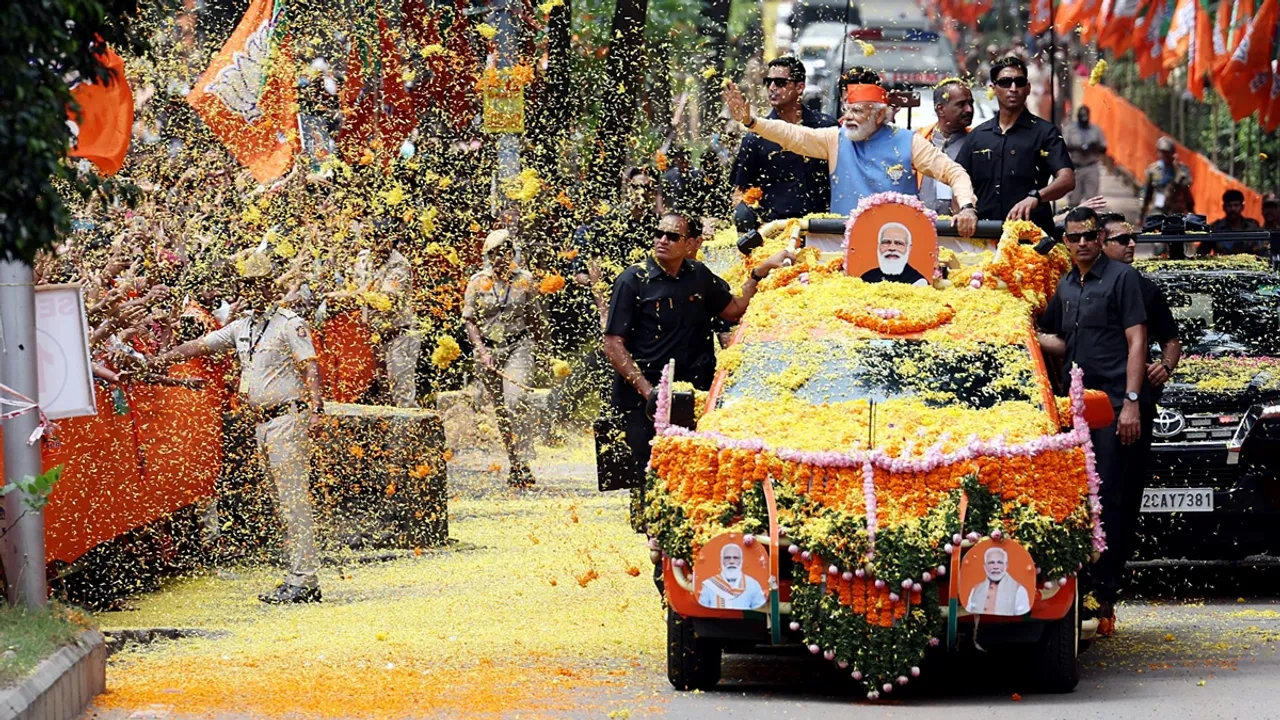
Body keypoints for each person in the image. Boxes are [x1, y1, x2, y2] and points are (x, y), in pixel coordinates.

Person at [147, 252, 326, 604]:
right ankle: (298, 574)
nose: (250, 291)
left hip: (287, 419)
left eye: (257, 284)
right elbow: (198, 345)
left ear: (269, 286)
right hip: (262, 423)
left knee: (293, 502)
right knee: (281, 502)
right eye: (245, 285)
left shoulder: (290, 323)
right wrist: (156, 360)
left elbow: (310, 367)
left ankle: (304, 578)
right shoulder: (241, 326)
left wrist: (317, 408)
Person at [603, 212, 792, 522]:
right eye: (659, 233)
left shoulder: (699, 275)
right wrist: (650, 393)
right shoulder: (632, 280)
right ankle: (659, 557)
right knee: (650, 486)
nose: (662, 240)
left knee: (692, 482)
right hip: (644, 401)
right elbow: (613, 344)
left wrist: (759, 274)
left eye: (673, 236)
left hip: (694, 398)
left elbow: (733, 310)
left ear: (691, 243)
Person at [1037, 206, 1147, 618]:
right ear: (1065, 242)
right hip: (1073, 411)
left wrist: (1132, 404)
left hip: (1114, 406)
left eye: (1088, 236)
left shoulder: (1124, 279)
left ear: (1100, 238)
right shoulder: (1065, 285)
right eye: (1073, 237)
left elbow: (1137, 342)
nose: (1081, 243)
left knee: (1109, 500)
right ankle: (1081, 589)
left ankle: (1106, 597)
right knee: (1079, 499)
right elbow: (1055, 336)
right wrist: (1031, 338)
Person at [722, 72, 980, 238]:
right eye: (848, 110)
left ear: (879, 115)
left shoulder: (908, 141)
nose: (848, 117)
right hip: (841, 242)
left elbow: (953, 172)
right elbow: (793, 135)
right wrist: (751, 121)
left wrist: (967, 207)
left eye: (858, 111)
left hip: (898, 243)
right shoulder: (836, 138)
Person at [957, 56, 1075, 239]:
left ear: (1027, 88)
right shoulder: (977, 136)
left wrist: (1036, 197)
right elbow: (958, 180)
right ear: (993, 88)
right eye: (1005, 82)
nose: (1013, 88)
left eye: (1019, 82)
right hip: (983, 239)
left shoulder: (1045, 132)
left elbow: (1067, 179)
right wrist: (965, 210)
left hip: (1032, 240)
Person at [463, 230, 543, 488]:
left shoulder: (525, 280)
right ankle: (515, 463)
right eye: (495, 253)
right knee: (502, 411)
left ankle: (525, 459)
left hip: (518, 344)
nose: (501, 257)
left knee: (515, 401)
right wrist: (482, 352)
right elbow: (469, 320)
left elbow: (536, 319)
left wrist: (544, 353)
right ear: (488, 256)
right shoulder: (477, 282)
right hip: (489, 350)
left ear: (512, 253)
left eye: (506, 252)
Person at [731, 56, 837, 223]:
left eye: (780, 82)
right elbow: (739, 192)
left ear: (800, 87)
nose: (772, 88)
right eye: (768, 82)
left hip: (824, 228)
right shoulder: (755, 137)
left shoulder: (827, 127)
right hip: (776, 231)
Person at [339, 221, 419, 407]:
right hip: (377, 335)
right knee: (384, 393)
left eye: (387, 240)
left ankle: (408, 433)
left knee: (401, 394)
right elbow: (353, 282)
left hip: (400, 335)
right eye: (378, 240)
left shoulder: (399, 265)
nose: (383, 245)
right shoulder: (363, 259)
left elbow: (385, 301)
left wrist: (348, 296)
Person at [917, 79, 975, 216]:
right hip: (921, 227)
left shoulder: (977, 142)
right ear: (941, 109)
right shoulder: (920, 140)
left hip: (963, 229)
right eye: (961, 104)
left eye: (971, 103)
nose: (969, 109)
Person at [965, 546, 1031, 616]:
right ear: (984, 567)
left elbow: (1021, 619)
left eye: (999, 562)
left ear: (1006, 566)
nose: (995, 567)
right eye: (991, 562)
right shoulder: (976, 588)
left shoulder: (1019, 589)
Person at [1139, 136, 1194, 221]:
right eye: (1162, 152)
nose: (1164, 155)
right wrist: (1142, 213)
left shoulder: (1182, 169)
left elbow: (1187, 184)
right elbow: (1147, 192)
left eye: (1167, 152)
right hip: (1158, 209)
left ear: (1173, 153)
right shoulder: (1153, 170)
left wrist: (1177, 171)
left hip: (1176, 210)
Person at [698, 543, 766, 610]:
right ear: (722, 561)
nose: (731, 561)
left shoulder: (753, 584)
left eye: (735, 558)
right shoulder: (709, 585)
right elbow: (702, 611)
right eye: (727, 558)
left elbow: (760, 611)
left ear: (741, 561)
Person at [1062, 105, 1107, 206]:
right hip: (1076, 167)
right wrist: (1078, 147)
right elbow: (1063, 146)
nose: (1084, 121)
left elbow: (1104, 148)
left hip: (1091, 166)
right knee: (1074, 200)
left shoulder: (1096, 129)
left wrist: (1094, 147)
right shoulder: (1070, 129)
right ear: (1077, 117)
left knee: (1092, 199)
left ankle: (1090, 220)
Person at [860, 223, 928, 286]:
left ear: (909, 248)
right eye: (886, 242)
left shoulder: (918, 282)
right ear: (879, 246)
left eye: (898, 243)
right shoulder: (867, 278)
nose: (892, 248)